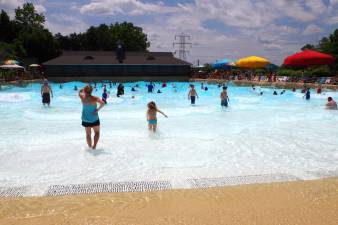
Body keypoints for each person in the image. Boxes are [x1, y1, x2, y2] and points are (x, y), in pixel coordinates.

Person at [79, 85, 105, 150]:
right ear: (91, 91)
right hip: (94, 119)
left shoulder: (82, 97)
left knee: (88, 134)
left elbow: (79, 91)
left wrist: (83, 89)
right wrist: (97, 109)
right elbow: (103, 103)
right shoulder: (95, 98)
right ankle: (94, 146)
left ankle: (90, 148)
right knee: (97, 132)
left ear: (85, 91)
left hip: (85, 119)